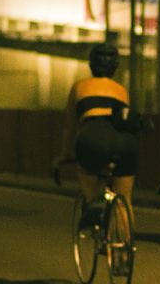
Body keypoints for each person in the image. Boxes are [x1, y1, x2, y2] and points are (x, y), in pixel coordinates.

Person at [55, 43, 140, 227]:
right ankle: (125, 251)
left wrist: (65, 154)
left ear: (91, 64)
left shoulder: (79, 86)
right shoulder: (121, 90)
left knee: (86, 170)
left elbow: (69, 126)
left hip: (92, 136)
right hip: (125, 142)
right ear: (115, 66)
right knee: (124, 201)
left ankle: (93, 202)